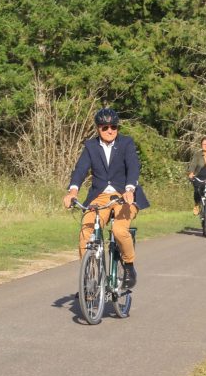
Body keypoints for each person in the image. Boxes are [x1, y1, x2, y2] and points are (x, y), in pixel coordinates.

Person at [63, 108, 149, 289]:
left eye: (114, 126)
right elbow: (80, 170)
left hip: (124, 195)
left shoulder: (126, 143)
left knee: (119, 231)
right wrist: (72, 192)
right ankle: (91, 278)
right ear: (98, 129)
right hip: (99, 196)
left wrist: (129, 189)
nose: (110, 130)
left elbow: (133, 166)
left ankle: (129, 265)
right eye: (105, 127)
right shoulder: (91, 146)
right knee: (86, 230)